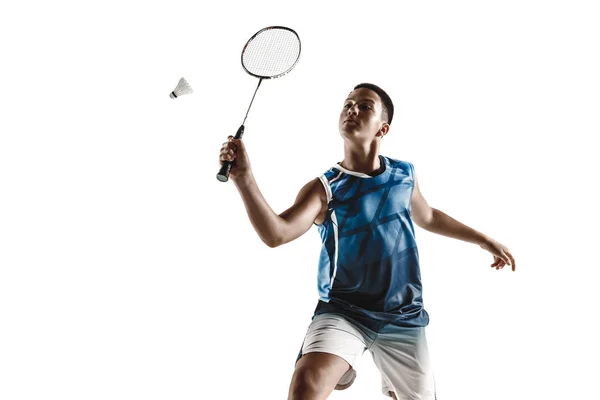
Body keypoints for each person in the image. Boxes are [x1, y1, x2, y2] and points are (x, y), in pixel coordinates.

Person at [218, 83, 516, 400]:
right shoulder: (324, 188)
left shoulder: (404, 174)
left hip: (404, 317)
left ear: (382, 128)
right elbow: (276, 234)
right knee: (307, 382)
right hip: (344, 311)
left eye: (364, 106)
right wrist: (244, 178)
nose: (352, 109)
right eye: (347, 104)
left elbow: (427, 216)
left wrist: (483, 239)